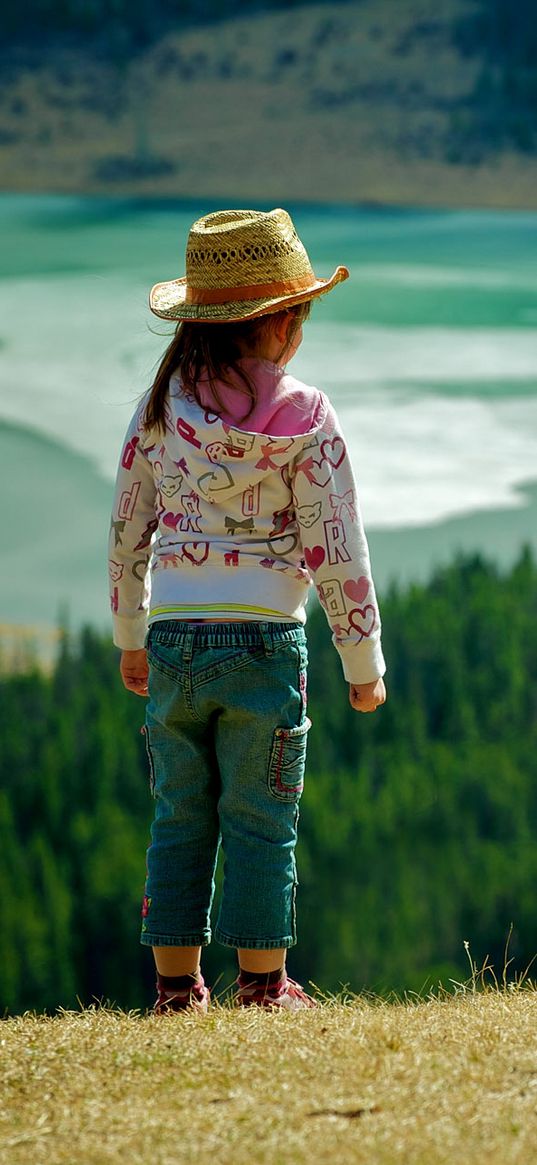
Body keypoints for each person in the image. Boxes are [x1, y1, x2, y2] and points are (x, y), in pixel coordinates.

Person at [108, 207, 386, 1014]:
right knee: (264, 816)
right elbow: (338, 548)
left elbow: (128, 526)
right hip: (266, 642)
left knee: (179, 814)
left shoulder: (161, 409)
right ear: (288, 323)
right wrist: (361, 664)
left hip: (171, 641)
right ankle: (263, 986)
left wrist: (131, 633)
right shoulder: (307, 418)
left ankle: (172, 989)